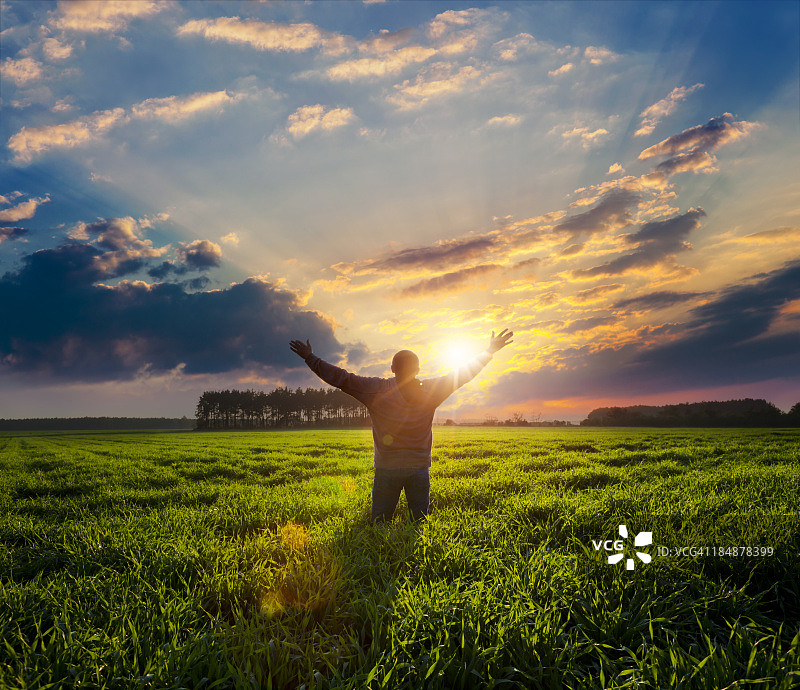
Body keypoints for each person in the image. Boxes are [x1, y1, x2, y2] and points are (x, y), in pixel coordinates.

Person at [289, 329, 513, 523]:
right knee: (418, 526)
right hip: (419, 468)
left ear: (392, 368)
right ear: (418, 369)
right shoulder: (432, 389)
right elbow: (463, 374)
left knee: (379, 524)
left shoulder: (376, 389)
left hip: (387, 468)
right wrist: (489, 352)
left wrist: (310, 358)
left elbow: (341, 378)